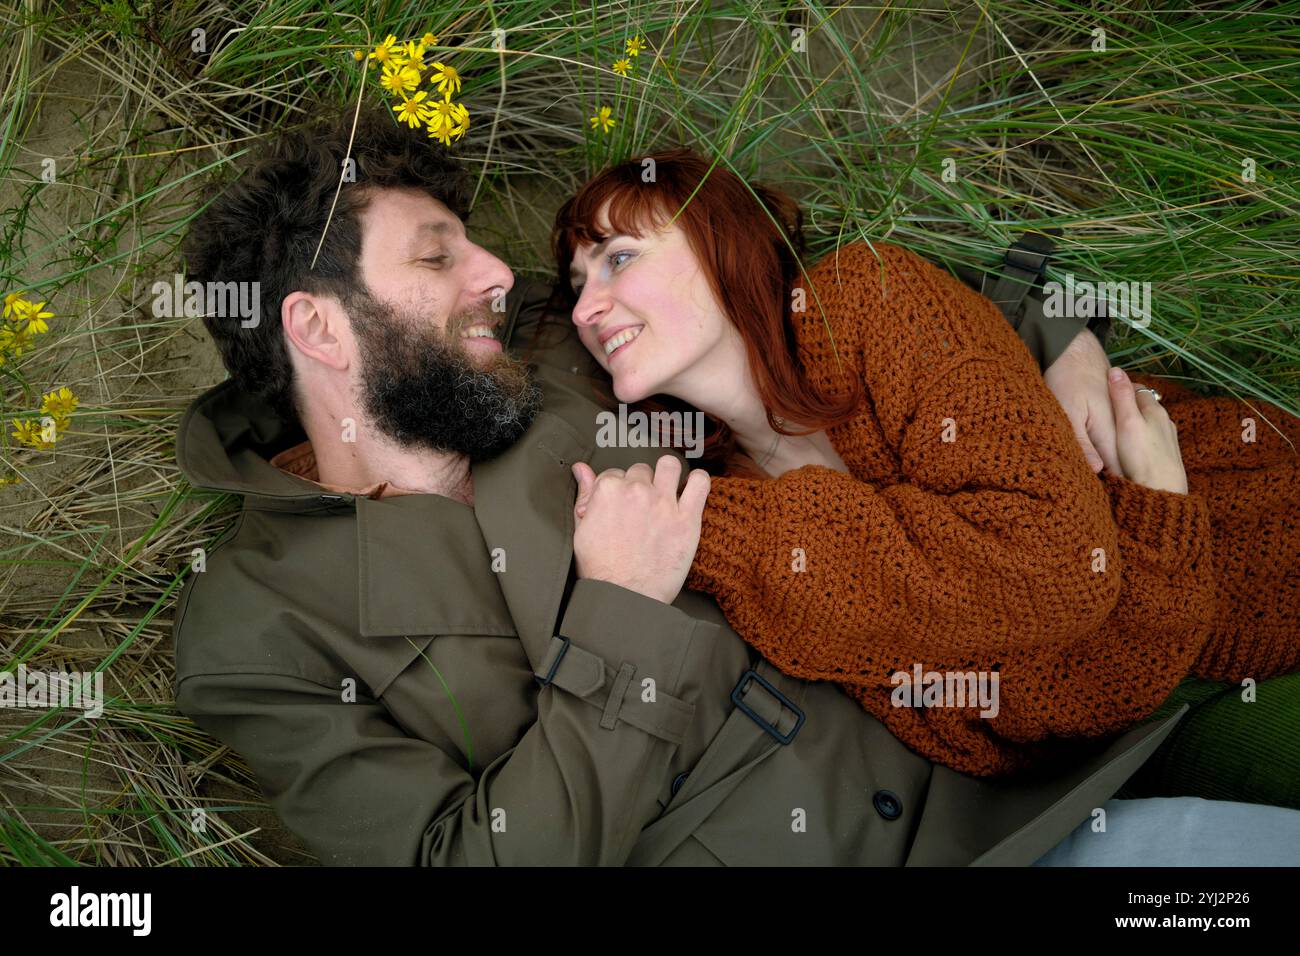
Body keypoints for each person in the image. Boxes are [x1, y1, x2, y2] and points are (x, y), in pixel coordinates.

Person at [171, 106, 1293, 866]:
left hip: (1038, 759)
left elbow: (776, 311)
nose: (496, 274)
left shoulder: (558, 360)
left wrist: (1057, 336)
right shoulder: (255, 627)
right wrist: (617, 616)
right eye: (436, 257)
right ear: (317, 325)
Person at [555, 147, 1300, 783]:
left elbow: (1060, 575)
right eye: (579, 284)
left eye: (619, 259)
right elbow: (982, 733)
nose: (589, 307)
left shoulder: (870, 299)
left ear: (725, 244)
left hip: (1265, 531)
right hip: (1164, 730)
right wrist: (1154, 522)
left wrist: (704, 524)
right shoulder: (735, 500)